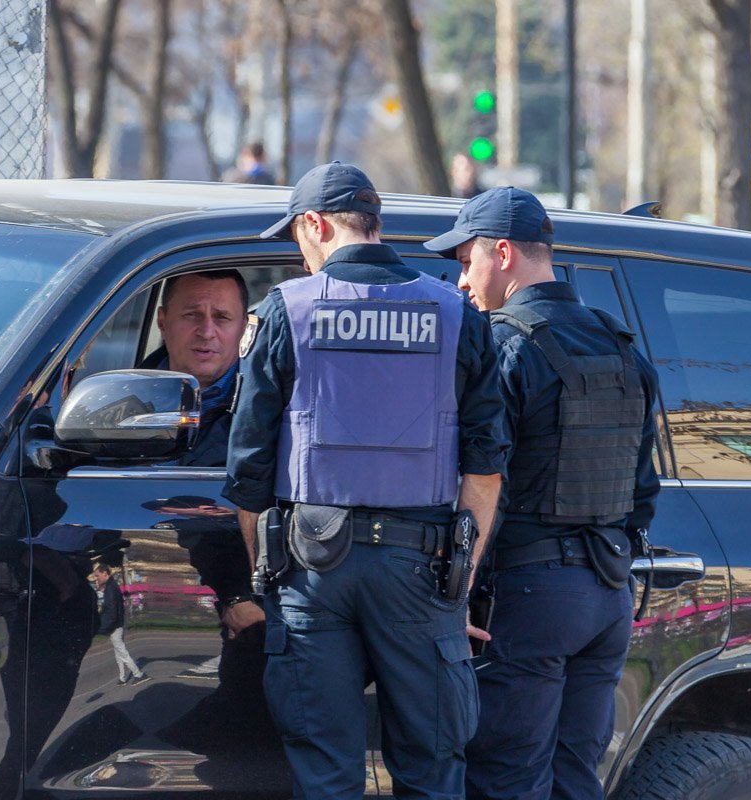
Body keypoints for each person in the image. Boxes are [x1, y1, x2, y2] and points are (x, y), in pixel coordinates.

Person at [225, 161, 507, 799]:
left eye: (297, 237)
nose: (300, 257)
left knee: (325, 773)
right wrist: (455, 589)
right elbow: (485, 473)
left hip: (311, 567)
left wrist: (267, 579)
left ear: (317, 224)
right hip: (422, 570)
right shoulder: (456, 314)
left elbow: (248, 472)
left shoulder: (286, 311)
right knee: (432, 772)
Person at [424, 186, 660, 800]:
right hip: (608, 596)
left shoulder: (504, 345)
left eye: (464, 260)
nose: (461, 278)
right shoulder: (623, 346)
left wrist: (454, 589)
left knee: (506, 778)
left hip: (529, 599)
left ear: (501, 253)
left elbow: (478, 478)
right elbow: (642, 486)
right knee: (575, 781)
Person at [139, 270, 249, 467]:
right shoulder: (127, 398)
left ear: (244, 328)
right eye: (192, 315)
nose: (207, 333)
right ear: (162, 322)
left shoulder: (267, 408)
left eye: (222, 317)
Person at [93, 562, 148, 686]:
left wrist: (102, 628)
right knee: (118, 652)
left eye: (97, 576)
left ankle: (138, 674)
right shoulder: (111, 586)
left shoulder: (111, 589)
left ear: (105, 574)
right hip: (117, 624)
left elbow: (111, 612)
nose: (97, 578)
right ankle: (122, 678)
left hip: (115, 626)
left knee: (121, 652)